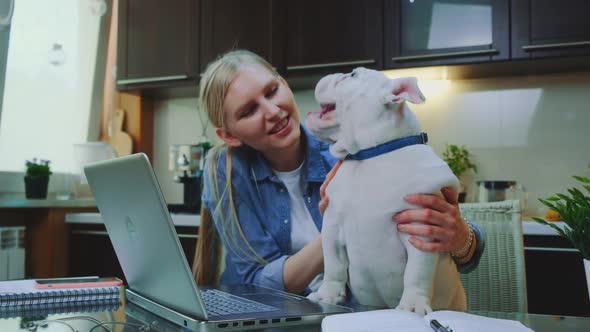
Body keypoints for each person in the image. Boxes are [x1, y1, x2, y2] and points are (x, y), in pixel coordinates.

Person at [193, 50, 484, 296]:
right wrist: (340, 225)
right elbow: (254, 283)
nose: (273, 111)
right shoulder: (227, 170)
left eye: (272, 91)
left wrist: (461, 238)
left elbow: (461, 248)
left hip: (352, 315)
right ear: (229, 135)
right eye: (248, 111)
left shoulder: (350, 146)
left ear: (284, 83)